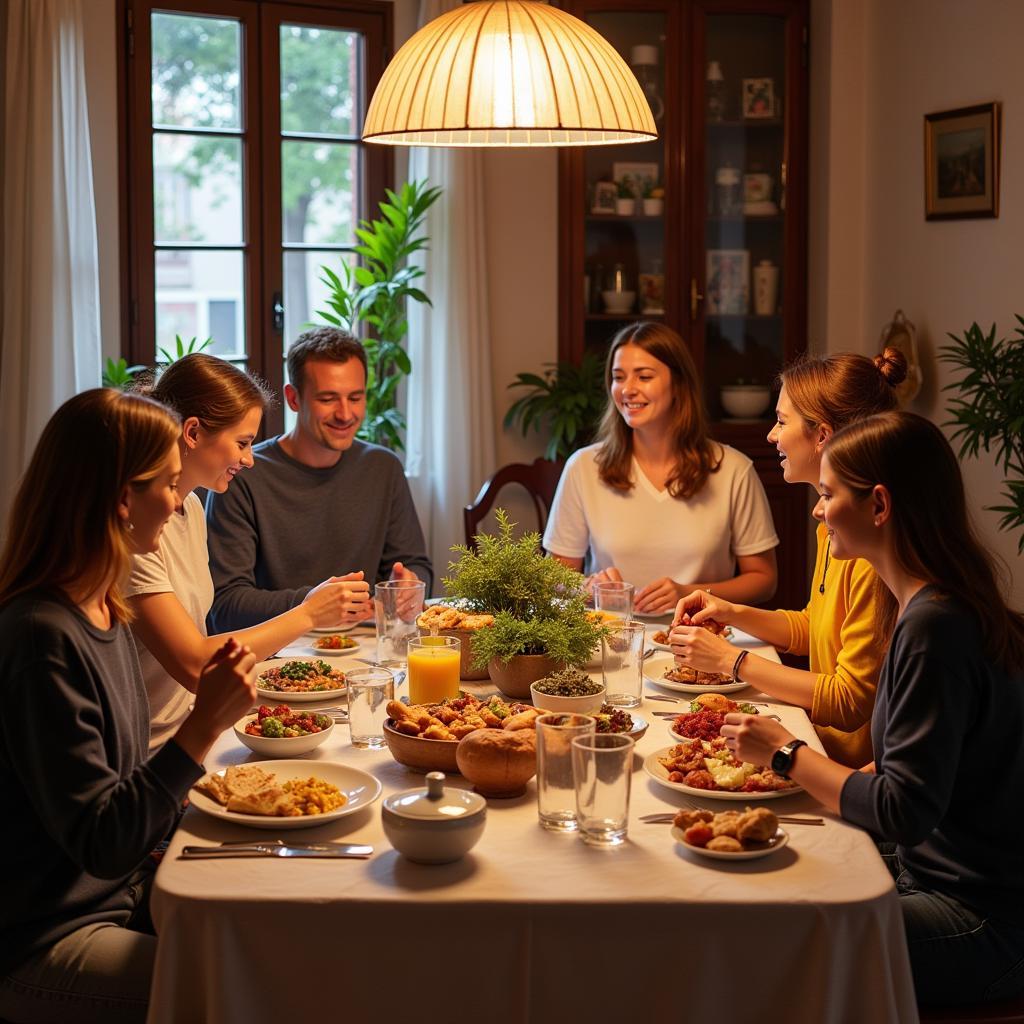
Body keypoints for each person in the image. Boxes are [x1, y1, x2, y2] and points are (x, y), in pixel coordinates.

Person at [719, 411, 1024, 1006]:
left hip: (984, 920)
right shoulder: (923, 603)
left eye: (829, 495)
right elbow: (913, 777)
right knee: (758, 873)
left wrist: (784, 754)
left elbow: (902, 809)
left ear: (878, 505)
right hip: (934, 871)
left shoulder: (937, 626)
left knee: (764, 940)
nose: (815, 508)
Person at [0, 389, 256, 1023]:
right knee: (255, 986)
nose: (177, 503)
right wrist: (202, 727)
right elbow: (104, 843)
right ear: (121, 498)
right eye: (168, 485)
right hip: (49, 939)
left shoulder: (102, 608)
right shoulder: (43, 637)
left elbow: (126, 801)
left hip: (126, 889)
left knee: (281, 934)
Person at [668, 348, 906, 767]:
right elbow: (814, 625)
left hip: (848, 772)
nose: (771, 436)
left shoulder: (866, 549)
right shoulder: (832, 526)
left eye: (781, 421)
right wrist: (729, 609)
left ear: (822, 436)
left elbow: (849, 700)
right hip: (822, 749)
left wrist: (731, 660)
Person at [127, 354, 372, 751]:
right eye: (241, 443)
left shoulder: (189, 507)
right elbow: (195, 665)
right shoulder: (138, 527)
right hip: (154, 749)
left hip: (198, 725)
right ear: (192, 433)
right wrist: (309, 613)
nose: (249, 459)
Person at [543, 321, 779, 614]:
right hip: (612, 640)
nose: (627, 389)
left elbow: (764, 580)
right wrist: (589, 587)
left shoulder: (734, 470)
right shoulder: (583, 467)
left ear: (678, 384)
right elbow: (553, 579)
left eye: (644, 376)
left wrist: (689, 593)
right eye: (618, 377)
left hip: (703, 639)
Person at [205, 327, 432, 631]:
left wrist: (410, 585)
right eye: (328, 399)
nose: (345, 414)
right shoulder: (241, 474)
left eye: (355, 397)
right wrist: (317, 606)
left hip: (365, 653)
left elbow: (415, 564)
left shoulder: (383, 468)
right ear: (293, 398)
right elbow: (226, 606)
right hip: (275, 657)